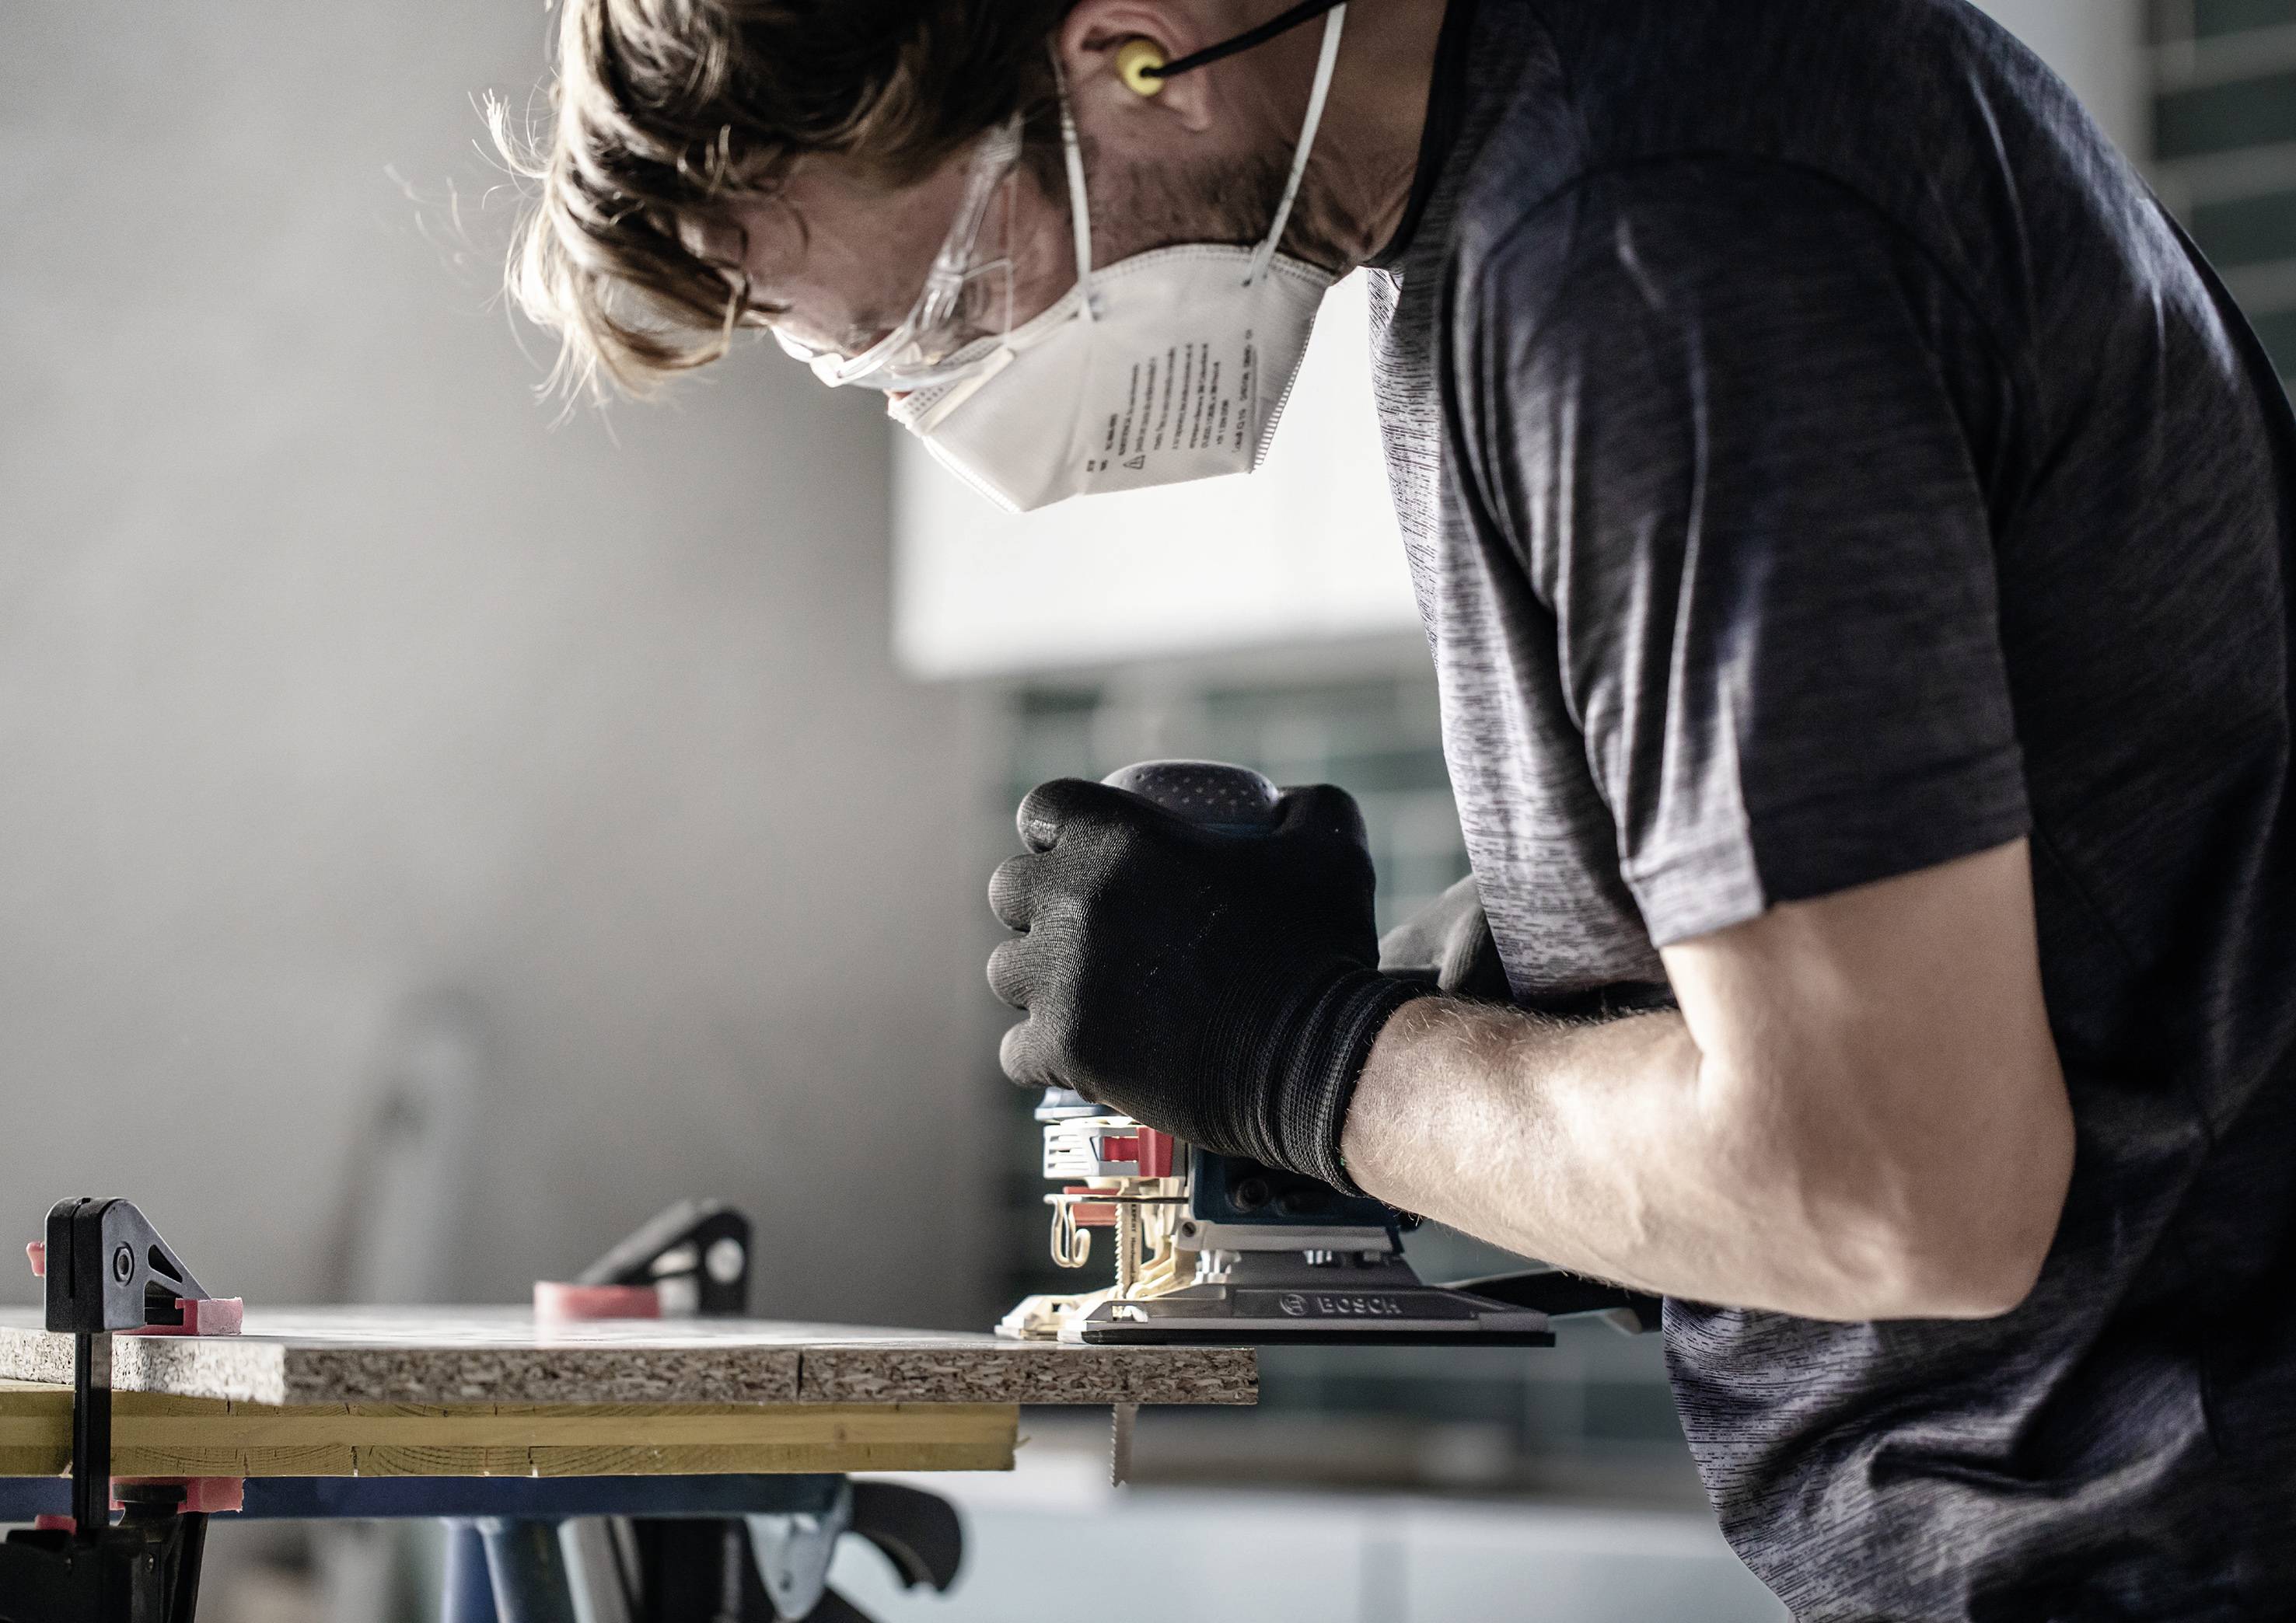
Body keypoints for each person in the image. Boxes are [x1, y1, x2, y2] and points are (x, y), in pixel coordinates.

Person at [498, 0, 2296, 1613]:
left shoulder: (1644, 237)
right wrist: (1527, 1015)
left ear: (1134, 49)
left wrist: (1307, 1055)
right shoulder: (1508, 210)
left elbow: (1902, 1193)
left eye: (953, 304)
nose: (974, 398)